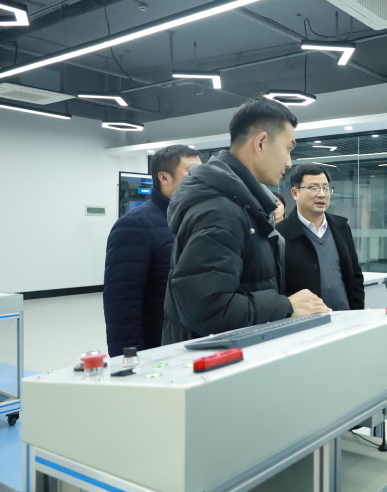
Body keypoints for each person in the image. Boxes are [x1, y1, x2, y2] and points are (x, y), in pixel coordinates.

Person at [162, 96, 329, 345]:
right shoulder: (220, 211)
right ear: (261, 143)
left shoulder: (243, 204)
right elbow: (207, 308)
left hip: (234, 351)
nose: (288, 162)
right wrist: (284, 305)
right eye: (288, 148)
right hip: (214, 358)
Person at [103, 145, 201, 357]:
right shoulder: (134, 225)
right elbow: (122, 305)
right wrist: (128, 360)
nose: (200, 177)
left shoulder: (197, 220)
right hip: (158, 347)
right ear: (164, 177)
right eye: (192, 171)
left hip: (193, 343)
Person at [276, 164, 364, 311]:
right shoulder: (279, 234)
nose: (322, 194)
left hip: (345, 318)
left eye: (326, 188)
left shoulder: (341, 227)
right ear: (295, 193)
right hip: (305, 321)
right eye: (314, 188)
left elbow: (355, 276)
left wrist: (357, 312)